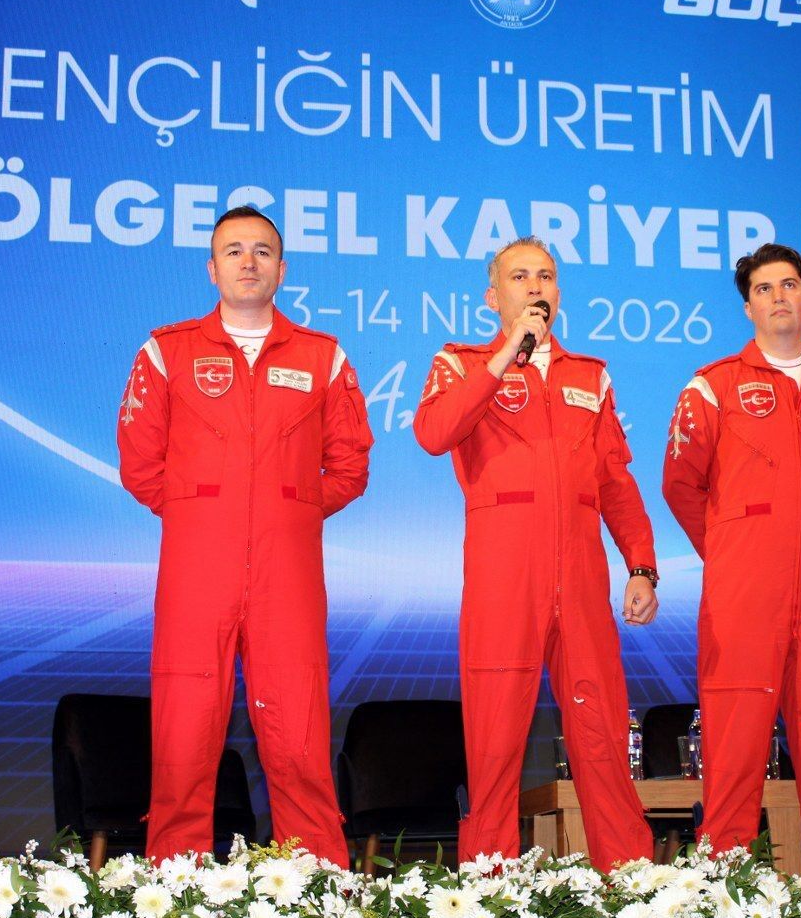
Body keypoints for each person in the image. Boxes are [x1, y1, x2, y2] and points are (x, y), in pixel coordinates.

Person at [117, 205, 373, 864]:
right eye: (234, 250)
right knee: (184, 734)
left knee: (299, 734)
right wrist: (206, 514)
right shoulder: (167, 351)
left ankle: (315, 884)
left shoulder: (323, 356)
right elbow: (140, 465)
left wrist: (288, 514)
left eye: (262, 251)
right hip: (197, 569)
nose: (248, 262)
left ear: (282, 270)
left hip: (288, 574)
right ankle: (173, 886)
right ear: (212, 268)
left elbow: (350, 467)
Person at [414, 237, 659, 869]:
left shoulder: (589, 375)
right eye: (520, 277)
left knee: (602, 732)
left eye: (545, 276)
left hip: (580, 577)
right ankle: (489, 887)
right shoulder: (461, 362)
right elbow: (434, 434)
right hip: (504, 575)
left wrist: (640, 564)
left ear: (559, 292)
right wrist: (504, 357)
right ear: (493, 297)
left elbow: (616, 480)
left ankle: (628, 880)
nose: (535, 287)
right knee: (495, 739)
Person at [662, 243, 801, 876]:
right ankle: (724, 893)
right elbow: (681, 482)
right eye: (764, 288)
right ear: (748, 307)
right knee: (734, 751)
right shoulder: (713, 385)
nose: (778, 296)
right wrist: (735, 548)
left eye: (789, 285)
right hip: (745, 593)